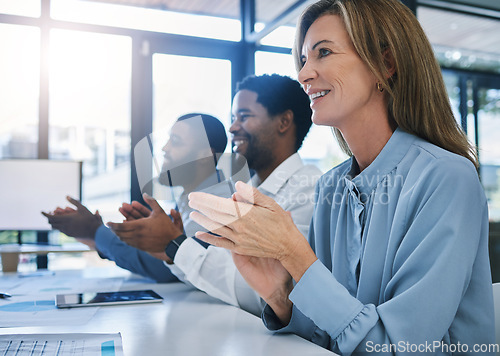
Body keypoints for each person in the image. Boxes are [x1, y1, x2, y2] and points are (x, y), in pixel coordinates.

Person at [187, 0, 495, 354]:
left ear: (386, 63)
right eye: (303, 59)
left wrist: (296, 256)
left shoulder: (447, 178)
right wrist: (280, 293)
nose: (303, 74)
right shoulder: (330, 186)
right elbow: (329, 336)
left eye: (323, 53)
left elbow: (398, 348)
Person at [109, 74, 322, 316]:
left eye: (244, 116)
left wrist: (176, 246)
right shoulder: (241, 192)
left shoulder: (309, 189)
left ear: (283, 122)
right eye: (233, 118)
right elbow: (216, 273)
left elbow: (267, 292)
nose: (232, 127)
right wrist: (171, 250)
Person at [42, 113, 228, 283]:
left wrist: (94, 231)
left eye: (176, 141)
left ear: (205, 155)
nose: (164, 148)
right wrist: (134, 234)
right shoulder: (190, 198)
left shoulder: (218, 206)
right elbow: (168, 254)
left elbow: (169, 267)